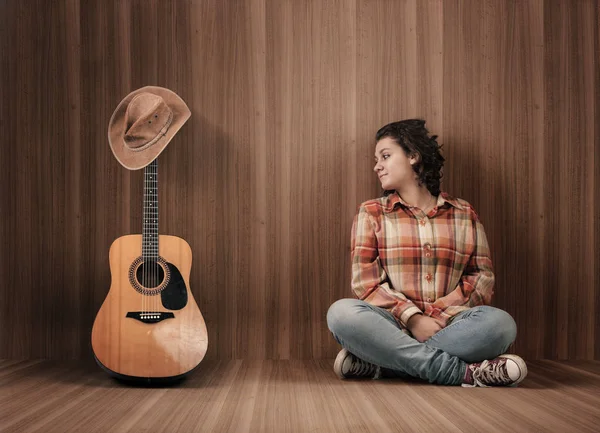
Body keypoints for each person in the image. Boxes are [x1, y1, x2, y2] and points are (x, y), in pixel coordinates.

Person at [326, 119, 527, 387]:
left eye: (385, 156)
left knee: (501, 325)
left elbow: (481, 277)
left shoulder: (463, 213)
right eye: (376, 159)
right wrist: (414, 319)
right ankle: (465, 374)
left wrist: (437, 317)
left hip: (450, 324)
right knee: (341, 314)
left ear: (413, 156)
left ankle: (384, 364)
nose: (377, 165)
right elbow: (366, 284)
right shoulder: (371, 212)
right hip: (391, 324)